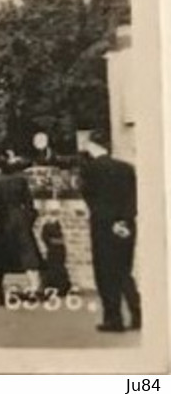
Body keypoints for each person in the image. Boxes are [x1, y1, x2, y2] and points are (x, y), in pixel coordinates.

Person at [78, 137, 141, 332]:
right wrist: (123, 220)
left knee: (105, 273)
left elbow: (88, 196)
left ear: (95, 147)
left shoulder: (90, 170)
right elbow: (133, 199)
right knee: (124, 271)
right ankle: (137, 313)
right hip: (126, 224)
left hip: (104, 225)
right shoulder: (127, 168)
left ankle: (113, 319)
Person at [0, 157, 43, 301]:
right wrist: (29, 218)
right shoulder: (20, 180)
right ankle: (35, 287)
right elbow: (30, 203)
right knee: (28, 252)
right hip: (20, 218)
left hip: (3, 219)